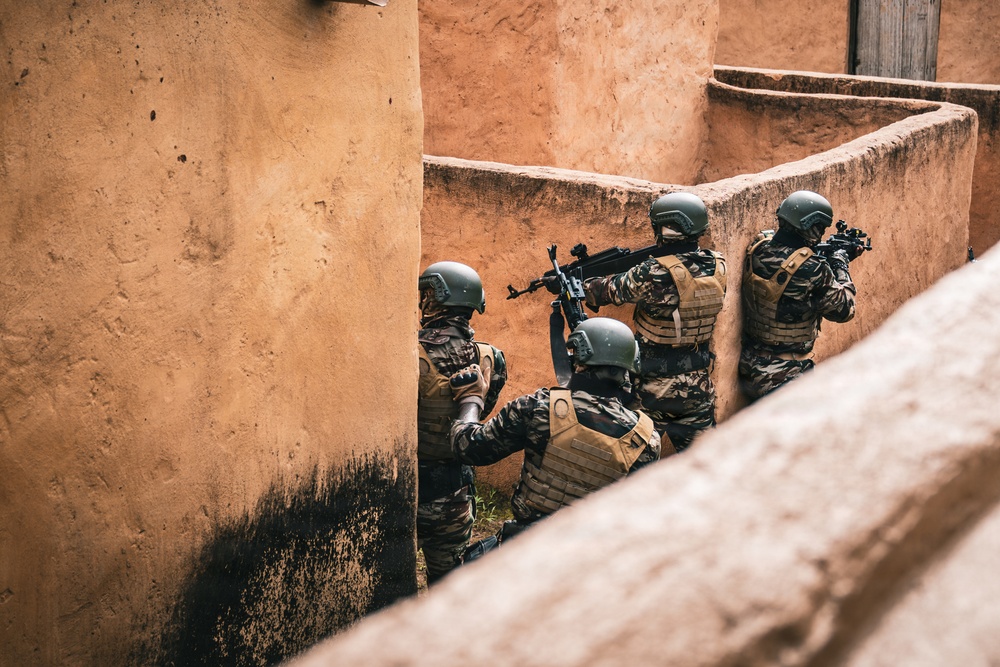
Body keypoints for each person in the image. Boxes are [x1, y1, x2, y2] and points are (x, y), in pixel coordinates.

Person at [446, 317, 663, 545]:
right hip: (594, 555)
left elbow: (468, 447)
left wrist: (472, 399)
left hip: (528, 548)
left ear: (580, 361)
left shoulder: (538, 408)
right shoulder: (646, 438)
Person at [579, 192, 727, 452]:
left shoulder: (651, 272)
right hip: (698, 387)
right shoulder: (718, 266)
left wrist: (578, 282)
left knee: (634, 461)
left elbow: (605, 291)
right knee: (708, 463)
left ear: (665, 228)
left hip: (651, 390)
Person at [416, 261, 507, 584]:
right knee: (448, 583)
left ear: (433, 298)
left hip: (409, 490)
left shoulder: (408, 352)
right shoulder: (491, 357)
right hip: (456, 491)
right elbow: (480, 411)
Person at [739, 190, 856, 399]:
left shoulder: (758, 249)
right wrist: (840, 264)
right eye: (820, 228)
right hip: (785, 373)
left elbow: (788, 260)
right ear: (811, 226)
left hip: (751, 366)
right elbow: (844, 310)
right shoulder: (814, 269)